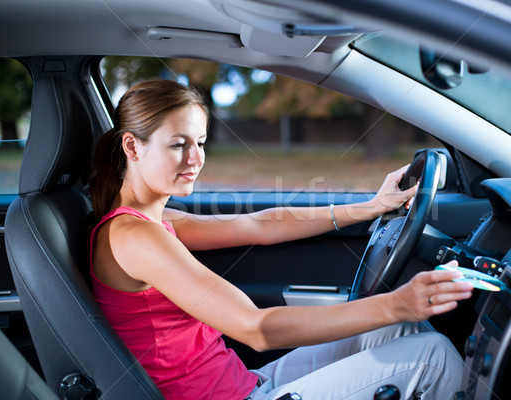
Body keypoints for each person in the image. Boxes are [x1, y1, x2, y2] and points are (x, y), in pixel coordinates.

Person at [89, 79, 473, 400]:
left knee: (395, 331)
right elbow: (256, 329)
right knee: (431, 355)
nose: (196, 159)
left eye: (201, 142)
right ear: (132, 146)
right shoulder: (133, 236)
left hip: (246, 383)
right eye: (178, 145)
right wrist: (397, 304)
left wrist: (371, 206)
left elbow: (259, 225)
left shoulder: (154, 221)